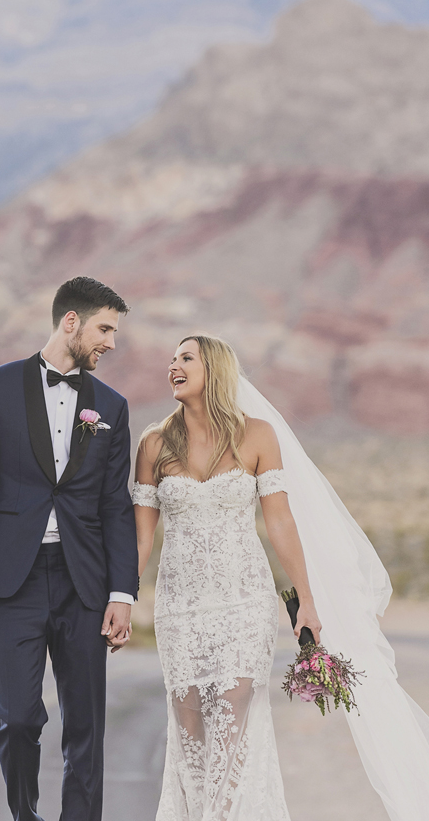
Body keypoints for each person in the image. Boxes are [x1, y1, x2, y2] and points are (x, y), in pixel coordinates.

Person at [133, 333, 429, 821]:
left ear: (215, 371)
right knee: (192, 744)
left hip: (243, 605)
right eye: (171, 359)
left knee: (231, 737)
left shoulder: (258, 436)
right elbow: (141, 540)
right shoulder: (152, 443)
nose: (173, 366)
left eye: (187, 358)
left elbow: (281, 523)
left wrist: (307, 600)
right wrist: (120, 597)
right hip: (179, 611)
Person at [0, 276, 139, 821]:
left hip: (85, 583)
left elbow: (115, 508)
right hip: (11, 579)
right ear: (69, 322)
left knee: (86, 727)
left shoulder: (112, 408)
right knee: (19, 716)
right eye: (105, 328)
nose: (111, 343)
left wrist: (122, 591)